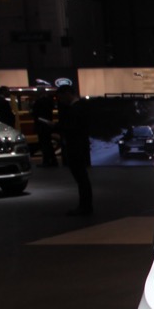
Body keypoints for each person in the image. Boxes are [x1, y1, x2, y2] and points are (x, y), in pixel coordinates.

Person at [53, 85, 93, 215]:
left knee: (81, 178)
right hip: (78, 147)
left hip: (76, 148)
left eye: (61, 97)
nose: (60, 100)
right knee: (82, 178)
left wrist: (58, 127)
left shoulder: (76, 109)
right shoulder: (81, 107)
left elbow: (73, 128)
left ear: (67, 94)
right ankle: (85, 206)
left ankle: (85, 207)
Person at [31, 90, 59, 166]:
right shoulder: (49, 101)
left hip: (41, 125)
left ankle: (47, 161)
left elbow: (35, 114)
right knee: (48, 144)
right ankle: (53, 160)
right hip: (47, 125)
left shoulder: (38, 102)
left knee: (44, 144)